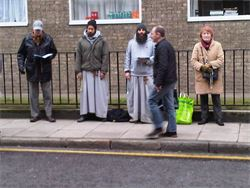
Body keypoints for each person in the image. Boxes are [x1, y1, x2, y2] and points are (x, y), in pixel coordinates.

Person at [17, 20, 57, 123]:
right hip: (32, 70)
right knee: (33, 95)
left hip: (45, 70)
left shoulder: (48, 39)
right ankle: (35, 115)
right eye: (36, 30)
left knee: (47, 94)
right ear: (33, 30)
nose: (38, 32)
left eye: (39, 30)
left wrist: (49, 57)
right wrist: (21, 66)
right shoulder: (26, 40)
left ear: (42, 30)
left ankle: (49, 115)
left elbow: (54, 51)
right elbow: (21, 54)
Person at [75, 20, 109, 122]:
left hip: (98, 71)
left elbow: (105, 56)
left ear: (95, 29)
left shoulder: (102, 40)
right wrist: (78, 71)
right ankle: (84, 114)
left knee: (100, 95)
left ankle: (101, 115)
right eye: (88, 29)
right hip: (85, 70)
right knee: (85, 95)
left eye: (92, 29)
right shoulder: (81, 41)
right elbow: (78, 57)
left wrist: (103, 70)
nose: (90, 30)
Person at [147, 26, 177, 138]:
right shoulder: (165, 45)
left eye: (152, 33)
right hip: (170, 80)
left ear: (158, 35)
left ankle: (158, 127)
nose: (150, 35)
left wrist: (158, 83)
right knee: (169, 105)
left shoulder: (162, 47)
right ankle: (172, 130)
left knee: (151, 101)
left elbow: (163, 66)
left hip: (165, 81)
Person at [191, 25, 224, 126]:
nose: (206, 35)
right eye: (204, 33)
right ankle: (204, 118)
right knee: (203, 99)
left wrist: (210, 65)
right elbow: (193, 60)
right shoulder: (197, 46)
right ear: (201, 35)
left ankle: (219, 119)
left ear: (211, 35)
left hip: (214, 76)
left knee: (216, 99)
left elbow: (221, 60)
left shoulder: (217, 45)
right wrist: (202, 67)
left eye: (208, 33)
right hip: (202, 76)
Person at [124, 23, 155, 123]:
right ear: (137, 32)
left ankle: (146, 117)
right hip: (134, 74)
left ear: (146, 32)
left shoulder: (151, 43)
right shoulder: (131, 43)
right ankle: (134, 116)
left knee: (148, 97)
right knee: (133, 97)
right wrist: (127, 70)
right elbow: (127, 57)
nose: (141, 32)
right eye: (139, 30)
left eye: (143, 30)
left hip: (147, 74)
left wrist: (147, 61)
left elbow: (155, 57)